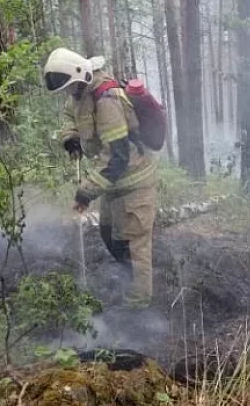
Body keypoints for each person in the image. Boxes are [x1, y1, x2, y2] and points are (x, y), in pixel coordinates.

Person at [43, 47, 158, 309]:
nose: (67, 93)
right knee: (109, 235)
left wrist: (86, 191)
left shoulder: (107, 100)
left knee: (134, 244)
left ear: (80, 75)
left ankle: (139, 306)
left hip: (134, 181)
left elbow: (117, 157)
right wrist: (70, 139)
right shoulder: (79, 92)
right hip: (113, 184)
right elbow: (69, 114)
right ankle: (130, 281)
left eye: (69, 87)